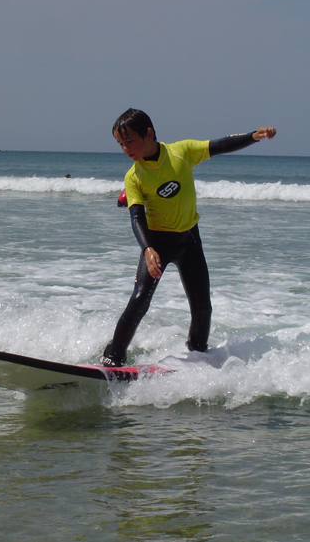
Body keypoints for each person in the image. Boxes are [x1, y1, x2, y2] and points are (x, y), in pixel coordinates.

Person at [102, 108, 276, 367]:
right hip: (158, 244)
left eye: (130, 142)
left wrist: (253, 136)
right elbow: (136, 216)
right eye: (120, 144)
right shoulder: (134, 176)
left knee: (202, 307)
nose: (126, 149)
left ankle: (198, 353)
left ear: (148, 134)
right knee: (140, 300)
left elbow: (221, 145)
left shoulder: (180, 153)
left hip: (190, 241)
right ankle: (112, 358)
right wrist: (148, 250)